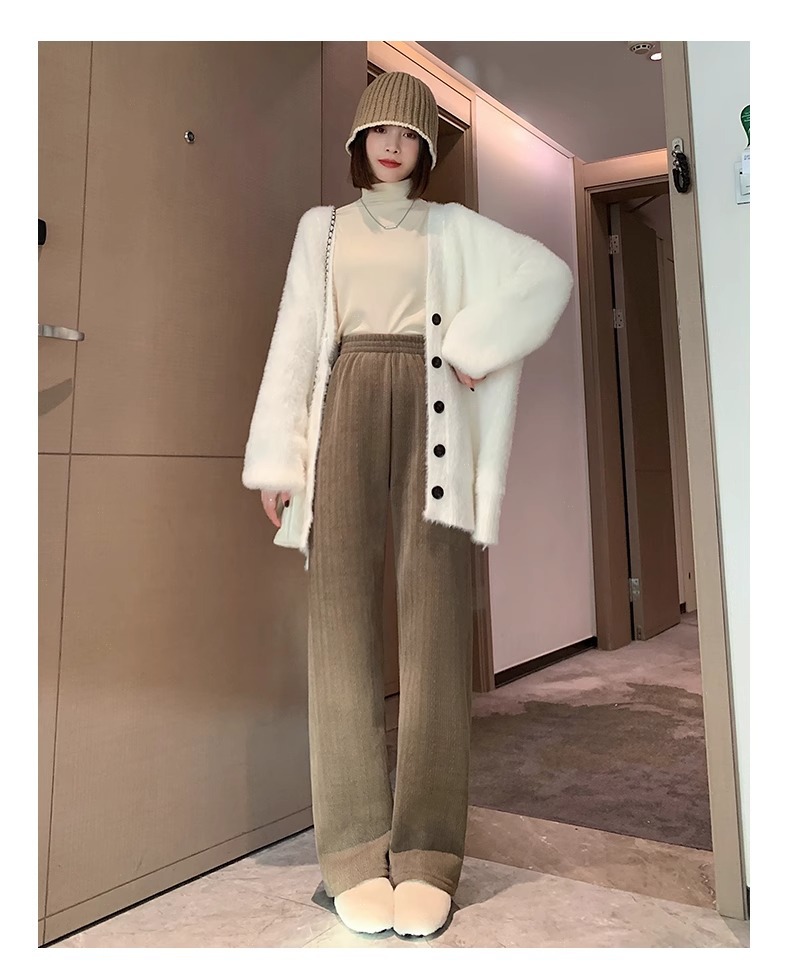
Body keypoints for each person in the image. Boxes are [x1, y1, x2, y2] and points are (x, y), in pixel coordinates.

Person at [242, 71, 574, 938]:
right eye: (379, 131)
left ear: (426, 149)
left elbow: (545, 274)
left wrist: (473, 345)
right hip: (346, 398)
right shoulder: (322, 229)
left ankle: (428, 855)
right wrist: (280, 459)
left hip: (434, 414)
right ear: (359, 141)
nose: (393, 145)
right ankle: (353, 853)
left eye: (410, 134)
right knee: (338, 625)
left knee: (435, 632)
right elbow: (295, 337)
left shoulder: (452, 225)